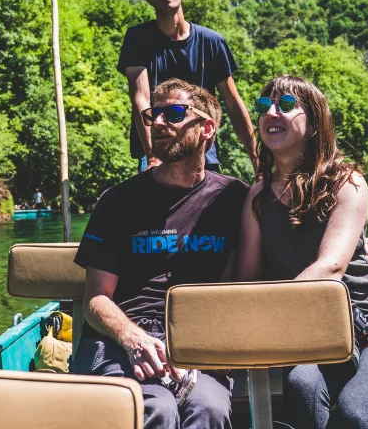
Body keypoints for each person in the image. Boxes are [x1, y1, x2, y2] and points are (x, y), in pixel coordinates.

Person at [236, 76, 368, 429]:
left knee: (357, 411)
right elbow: (247, 279)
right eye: (263, 107)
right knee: (301, 385)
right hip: (313, 327)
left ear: (313, 123)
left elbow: (331, 267)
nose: (271, 113)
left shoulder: (346, 182)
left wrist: (270, 303)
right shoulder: (257, 197)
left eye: (287, 105)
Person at [72, 78, 248, 429]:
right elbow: (96, 299)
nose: (159, 123)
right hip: (122, 339)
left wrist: (364, 244)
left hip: (199, 341)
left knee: (209, 410)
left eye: (175, 113)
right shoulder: (118, 201)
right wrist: (133, 338)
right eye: (155, 114)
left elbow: (287, 238)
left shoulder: (235, 199)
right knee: (157, 408)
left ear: (207, 128)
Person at [117, 0, 257, 174]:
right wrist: (153, 156)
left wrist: (256, 158)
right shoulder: (137, 39)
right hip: (158, 148)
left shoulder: (212, 42)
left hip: (201, 149)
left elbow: (232, 103)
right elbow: (140, 98)